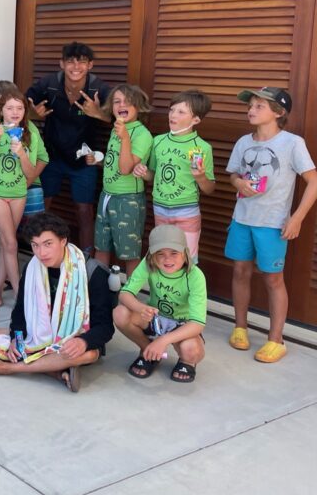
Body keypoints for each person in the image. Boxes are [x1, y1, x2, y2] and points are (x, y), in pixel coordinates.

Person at [0, 212, 114, 393]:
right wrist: (16, 339)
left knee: (90, 354)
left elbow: (105, 326)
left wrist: (84, 341)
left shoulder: (91, 271)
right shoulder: (32, 268)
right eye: (35, 245)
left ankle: (6, 368)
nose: (41, 253)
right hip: (40, 332)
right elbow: (20, 311)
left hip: (73, 336)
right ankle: (56, 372)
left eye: (48, 244)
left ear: (63, 241)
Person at [225, 87, 317, 363]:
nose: (251, 110)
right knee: (240, 271)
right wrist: (239, 183)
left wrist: (296, 218)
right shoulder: (243, 142)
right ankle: (240, 327)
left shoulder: (292, 143)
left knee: (273, 278)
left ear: (278, 112)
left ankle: (276, 340)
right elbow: (234, 175)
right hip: (242, 219)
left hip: (272, 223)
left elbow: (313, 181)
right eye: (250, 105)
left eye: (259, 106)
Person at [26, 42, 110, 253]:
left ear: (90, 65)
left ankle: (87, 256)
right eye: (70, 61)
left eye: (82, 61)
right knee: (42, 206)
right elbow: (22, 105)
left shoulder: (99, 88)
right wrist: (32, 114)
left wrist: (99, 114)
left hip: (84, 159)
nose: (76, 66)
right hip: (51, 156)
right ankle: (39, 253)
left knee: (84, 210)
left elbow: (122, 118)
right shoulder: (49, 84)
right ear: (62, 63)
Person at [0, 85, 45, 309]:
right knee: (10, 242)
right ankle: (19, 295)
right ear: (1, 110)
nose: (15, 112)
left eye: (20, 108)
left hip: (18, 193)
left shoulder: (30, 132)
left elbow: (30, 172)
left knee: (8, 243)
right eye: (9, 108)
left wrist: (22, 154)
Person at [114, 225, 206, 383]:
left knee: (192, 351)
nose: (167, 259)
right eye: (160, 254)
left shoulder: (195, 276)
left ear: (185, 253)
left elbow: (197, 324)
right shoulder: (148, 263)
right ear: (151, 255)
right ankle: (148, 350)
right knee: (120, 313)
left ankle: (186, 362)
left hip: (182, 323)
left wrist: (163, 341)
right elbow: (125, 294)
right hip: (155, 318)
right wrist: (141, 308)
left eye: (174, 253)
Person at [133, 90, 215, 261]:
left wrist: (200, 177)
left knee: (187, 260)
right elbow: (153, 175)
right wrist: (143, 172)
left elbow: (209, 189)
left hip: (187, 211)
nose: (173, 115)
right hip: (160, 209)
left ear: (196, 119)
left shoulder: (201, 147)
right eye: (171, 110)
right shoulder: (158, 141)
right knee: (163, 257)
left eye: (181, 112)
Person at [92, 85, 153, 274]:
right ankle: (99, 287)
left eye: (127, 102)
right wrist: (99, 161)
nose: (121, 105)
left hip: (128, 200)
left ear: (138, 106)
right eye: (117, 101)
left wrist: (125, 138)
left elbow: (126, 169)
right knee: (101, 246)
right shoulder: (117, 129)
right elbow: (116, 163)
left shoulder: (142, 134)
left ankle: (131, 291)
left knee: (129, 253)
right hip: (107, 195)